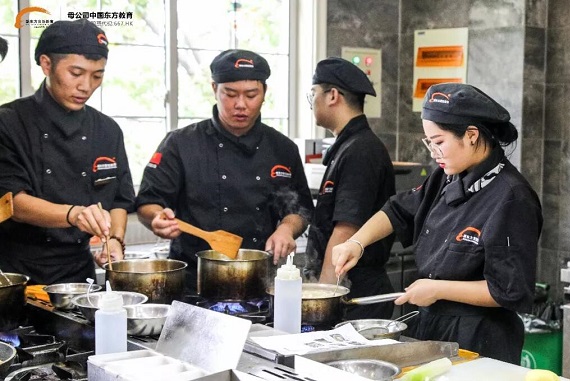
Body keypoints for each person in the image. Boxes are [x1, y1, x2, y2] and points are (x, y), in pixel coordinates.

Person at [331, 82, 542, 364]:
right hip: (432, 327)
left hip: (482, 337)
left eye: (439, 141)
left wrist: (439, 289)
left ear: (471, 135)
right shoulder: (447, 175)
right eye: (428, 142)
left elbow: (507, 291)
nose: (433, 152)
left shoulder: (512, 198)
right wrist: (356, 242)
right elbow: (398, 210)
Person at [136, 49, 314, 295]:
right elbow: (148, 202)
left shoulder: (282, 149)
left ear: (264, 93)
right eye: (230, 94)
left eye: (251, 95)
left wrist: (286, 228)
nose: (240, 104)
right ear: (214, 89)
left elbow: (300, 210)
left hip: (260, 282)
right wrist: (156, 217)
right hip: (192, 283)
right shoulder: (180, 143)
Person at [0, 19, 135, 285]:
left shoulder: (107, 130)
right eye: (76, 73)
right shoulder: (9, 121)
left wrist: (116, 241)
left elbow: (119, 199)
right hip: (15, 273)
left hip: (78, 274)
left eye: (97, 76)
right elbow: (11, 202)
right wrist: (74, 214)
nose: (86, 86)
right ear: (46, 64)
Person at [304, 57, 396, 320]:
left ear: (332, 95)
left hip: (354, 292)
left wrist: (321, 299)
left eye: (314, 94)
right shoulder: (347, 145)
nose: (313, 103)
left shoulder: (361, 151)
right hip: (346, 286)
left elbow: (346, 229)